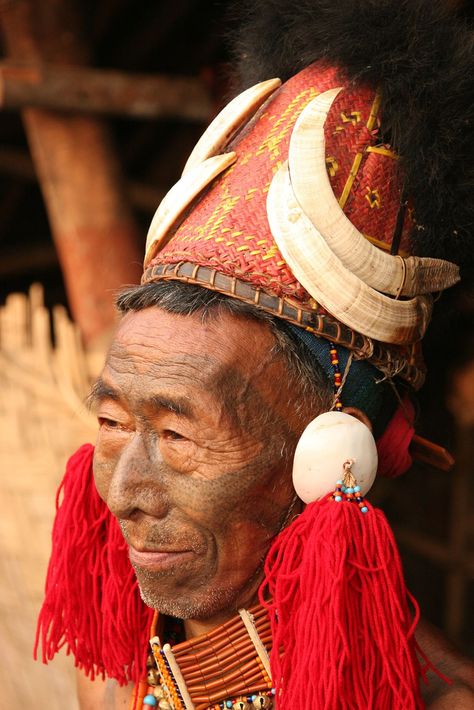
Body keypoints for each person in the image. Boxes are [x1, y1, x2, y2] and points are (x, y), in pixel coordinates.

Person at [36, 1, 474, 708]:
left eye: (178, 434)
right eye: (114, 424)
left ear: (331, 455)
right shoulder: (139, 674)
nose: (123, 495)